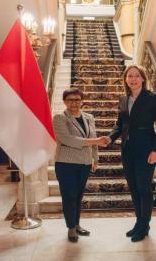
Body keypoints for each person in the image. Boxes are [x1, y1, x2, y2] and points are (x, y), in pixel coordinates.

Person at [106, 65, 156, 242]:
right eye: (129, 76)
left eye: (136, 76)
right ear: (125, 79)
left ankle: (144, 225)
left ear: (142, 78)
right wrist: (110, 138)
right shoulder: (123, 99)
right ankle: (139, 223)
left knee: (143, 188)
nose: (133, 79)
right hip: (127, 149)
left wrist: (155, 150)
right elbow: (120, 124)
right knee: (133, 188)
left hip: (146, 149)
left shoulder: (152, 98)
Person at [52, 88, 109, 242]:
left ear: (81, 101)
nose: (74, 103)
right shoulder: (59, 118)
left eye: (77, 99)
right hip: (66, 163)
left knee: (78, 196)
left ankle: (76, 224)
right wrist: (95, 141)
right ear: (64, 101)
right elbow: (67, 140)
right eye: (70, 100)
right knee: (69, 196)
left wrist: (95, 159)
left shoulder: (89, 117)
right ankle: (70, 228)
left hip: (84, 163)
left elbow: (93, 137)